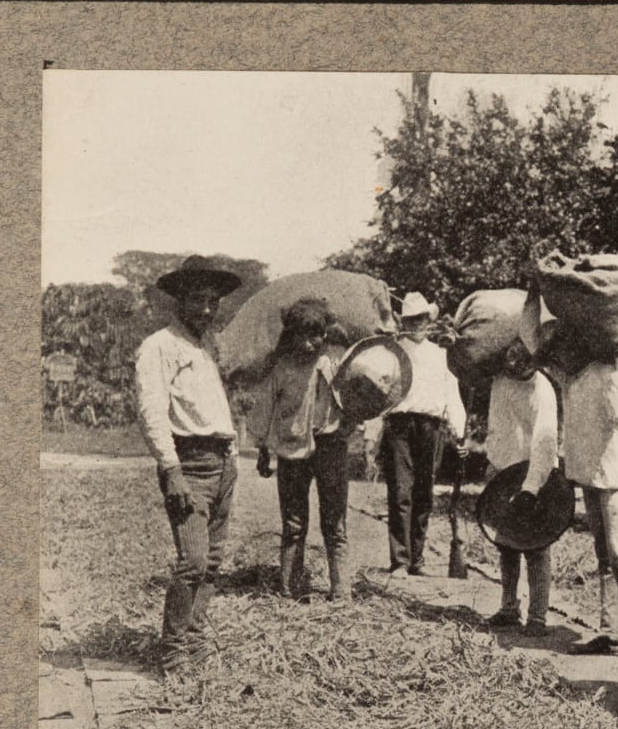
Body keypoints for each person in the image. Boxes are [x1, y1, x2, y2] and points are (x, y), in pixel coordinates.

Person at [133, 255, 242, 673]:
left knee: (212, 562)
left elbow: (216, 408)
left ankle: (196, 644)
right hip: (188, 464)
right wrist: (171, 468)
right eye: (198, 300)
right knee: (193, 560)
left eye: (213, 301)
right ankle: (174, 651)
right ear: (179, 300)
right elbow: (152, 412)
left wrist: (231, 458)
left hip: (221, 460)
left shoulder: (207, 346)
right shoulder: (158, 346)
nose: (207, 309)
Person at [250, 297, 355, 603]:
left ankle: (341, 590)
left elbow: (355, 401)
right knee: (294, 523)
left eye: (316, 336)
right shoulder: (281, 370)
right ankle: (288, 589)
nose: (309, 344)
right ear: (291, 335)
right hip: (292, 451)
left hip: (330, 447)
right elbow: (264, 411)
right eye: (301, 335)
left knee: (335, 521)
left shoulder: (334, 365)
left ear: (325, 335)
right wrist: (262, 450)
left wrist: (349, 424)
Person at [561, 355, 618, 667]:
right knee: (604, 556)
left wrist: (616, 365)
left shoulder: (612, 371)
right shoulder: (573, 375)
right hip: (591, 472)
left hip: (616, 472)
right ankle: (612, 633)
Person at [379, 292, 466, 576]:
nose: (417, 324)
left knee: (424, 493)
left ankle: (418, 558)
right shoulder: (392, 352)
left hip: (431, 426)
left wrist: (459, 430)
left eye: (421, 319)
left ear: (429, 320)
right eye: (411, 319)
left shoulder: (441, 354)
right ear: (404, 321)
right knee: (401, 492)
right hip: (399, 425)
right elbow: (378, 394)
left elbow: (451, 394)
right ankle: (400, 560)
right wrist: (372, 435)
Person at [483, 340, 559, 635]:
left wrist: (531, 487)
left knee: (537, 545)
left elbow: (545, 443)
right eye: (510, 362)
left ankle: (538, 615)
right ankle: (508, 608)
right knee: (506, 543)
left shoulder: (543, 392)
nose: (515, 368)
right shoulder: (500, 382)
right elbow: (497, 427)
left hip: (531, 472)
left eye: (522, 362)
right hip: (502, 470)